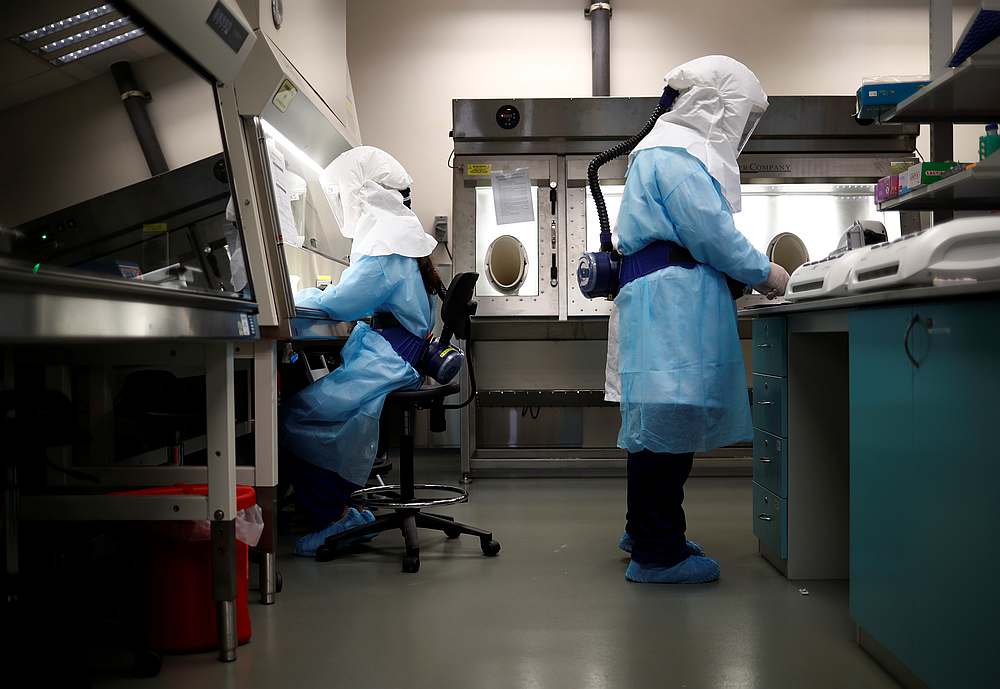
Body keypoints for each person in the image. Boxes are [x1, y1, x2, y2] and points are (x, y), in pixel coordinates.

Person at [604, 56, 790, 584]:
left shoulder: (662, 154)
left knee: (656, 427)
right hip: (672, 307)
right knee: (667, 425)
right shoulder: (676, 159)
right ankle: (657, 552)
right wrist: (768, 272)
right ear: (715, 107)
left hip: (661, 303)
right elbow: (713, 235)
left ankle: (646, 530)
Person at [280, 146, 440, 557]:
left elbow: (342, 304)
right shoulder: (402, 242)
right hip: (398, 355)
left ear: (361, 194)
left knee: (298, 416)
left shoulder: (385, 249)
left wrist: (304, 293)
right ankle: (343, 505)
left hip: (388, 359)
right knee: (323, 415)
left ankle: (334, 517)